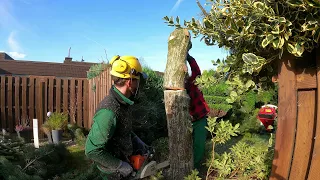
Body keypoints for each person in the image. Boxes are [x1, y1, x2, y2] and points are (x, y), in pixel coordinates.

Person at [85, 55, 150, 180]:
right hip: (111, 174)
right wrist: (119, 165)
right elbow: (92, 151)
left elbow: (121, 127)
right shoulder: (108, 112)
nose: (139, 85)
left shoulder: (124, 102)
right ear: (130, 81)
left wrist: (136, 140)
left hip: (124, 166)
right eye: (138, 81)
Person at [185, 44, 210, 170]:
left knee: (199, 145)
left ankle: (194, 168)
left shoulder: (192, 82)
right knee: (185, 145)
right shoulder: (176, 89)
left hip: (200, 118)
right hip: (187, 121)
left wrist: (189, 58)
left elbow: (197, 71)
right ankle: (188, 165)